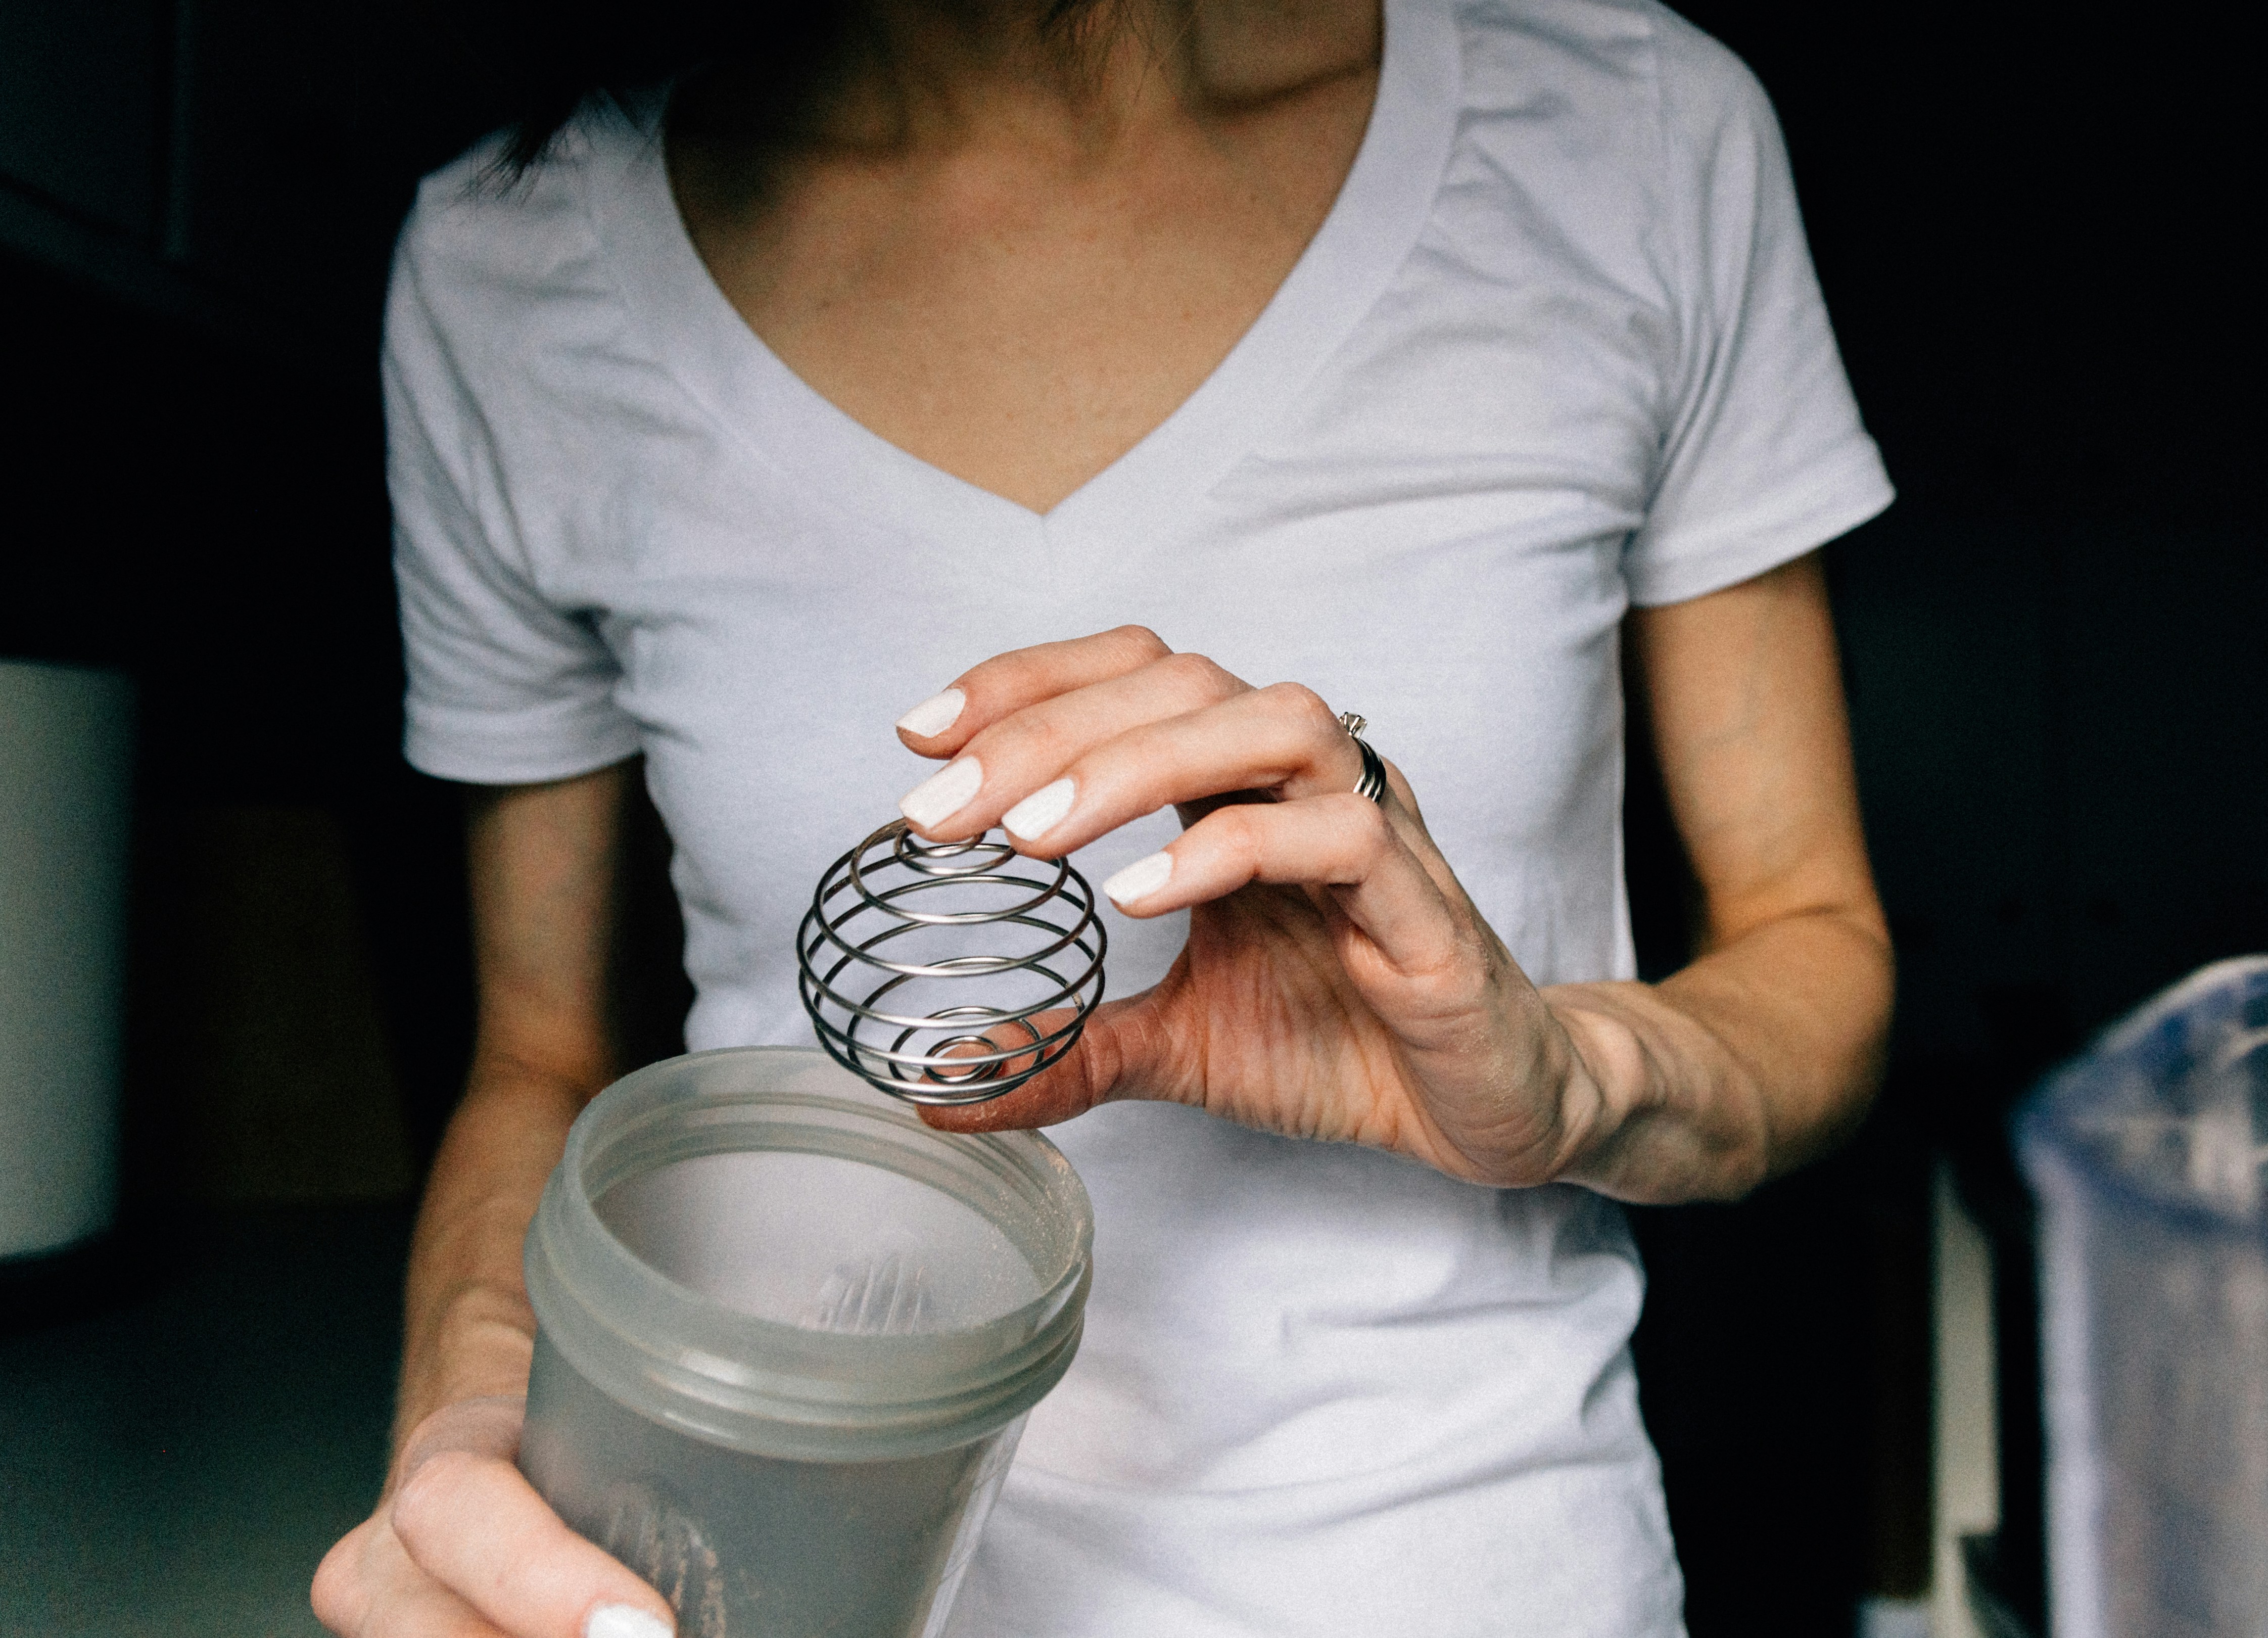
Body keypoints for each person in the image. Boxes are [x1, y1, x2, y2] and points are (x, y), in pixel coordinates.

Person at [313, 0, 1896, 1631]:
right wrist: (475, 1429)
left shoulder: (1631, 132)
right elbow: (540, 1057)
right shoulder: (515, 263)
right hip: (783, 1575)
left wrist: (1569, 1073)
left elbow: (1814, 943)